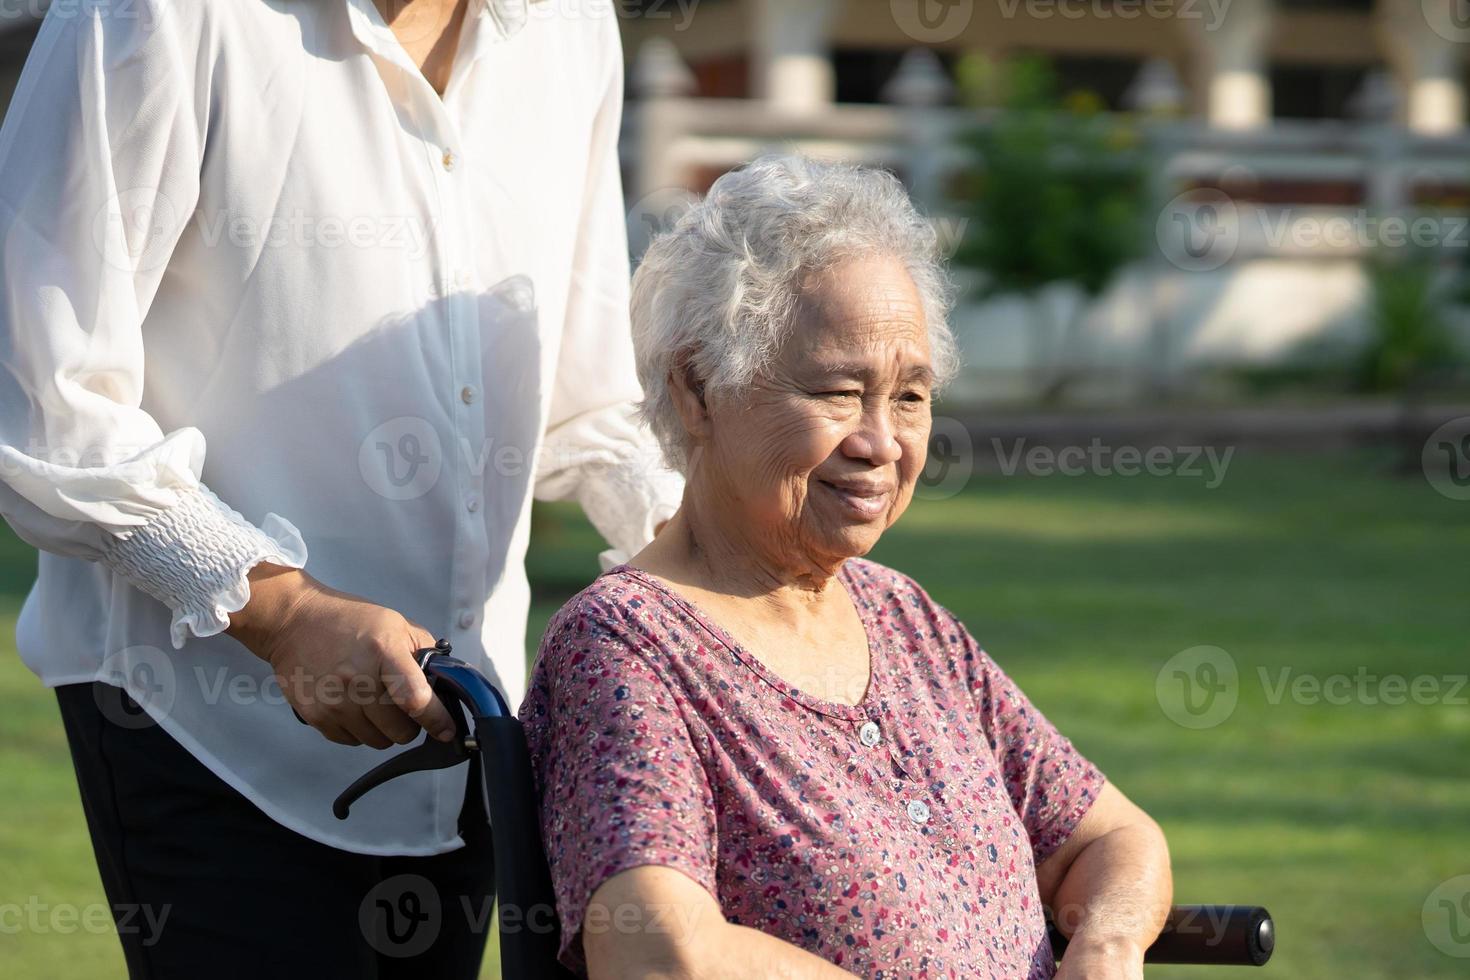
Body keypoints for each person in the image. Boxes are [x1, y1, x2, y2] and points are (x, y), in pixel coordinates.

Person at [0, 1, 680, 976]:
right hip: (203, 726)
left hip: (472, 722)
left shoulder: (569, 25)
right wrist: (283, 610)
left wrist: (710, 564)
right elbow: (41, 391)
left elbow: (592, 393)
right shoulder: (152, 14)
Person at [520, 155, 1173, 979]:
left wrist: (1108, 943)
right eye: (837, 393)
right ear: (697, 390)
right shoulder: (626, 646)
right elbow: (655, 953)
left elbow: (1113, 837)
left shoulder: (902, 616)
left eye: (909, 396)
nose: (881, 444)